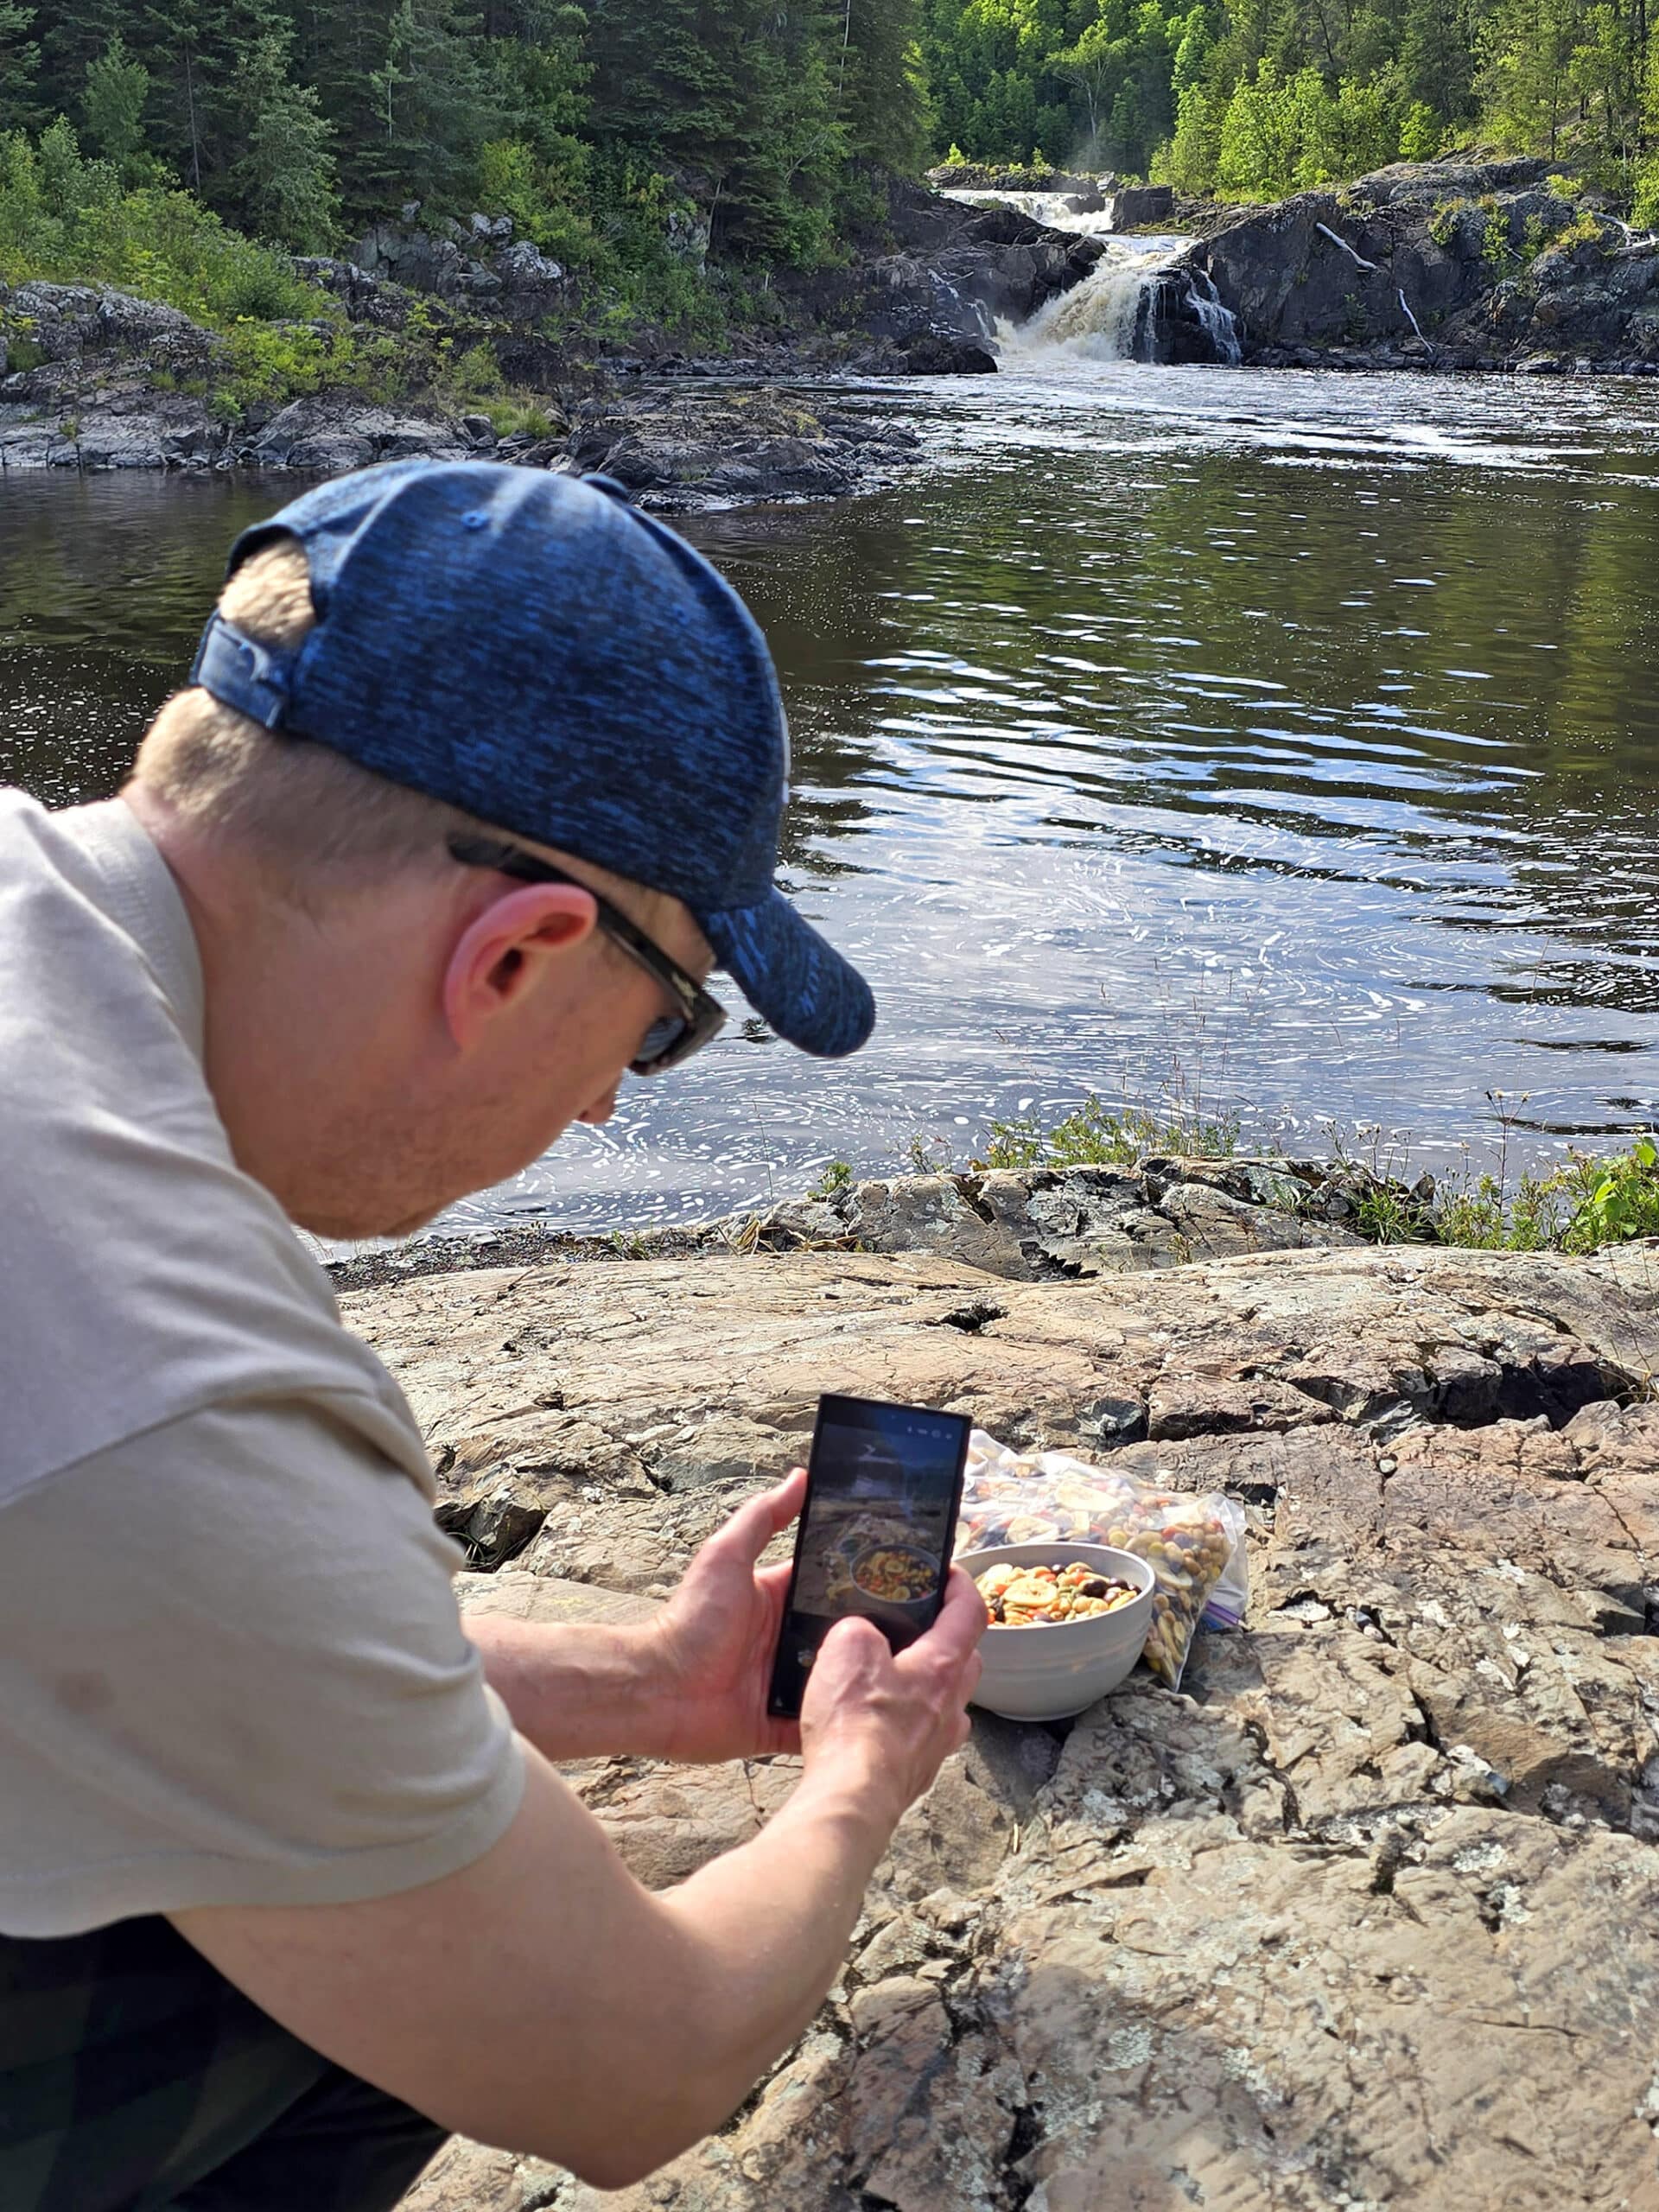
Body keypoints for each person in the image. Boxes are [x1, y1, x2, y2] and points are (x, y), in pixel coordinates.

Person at [0, 461, 987, 2211]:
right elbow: (644, 2062)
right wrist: (856, 1777)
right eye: (666, 1021)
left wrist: (646, 1690)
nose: (611, 1098)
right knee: (372, 1981)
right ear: (519, 956)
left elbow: (159, 1647)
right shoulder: (164, 1382)